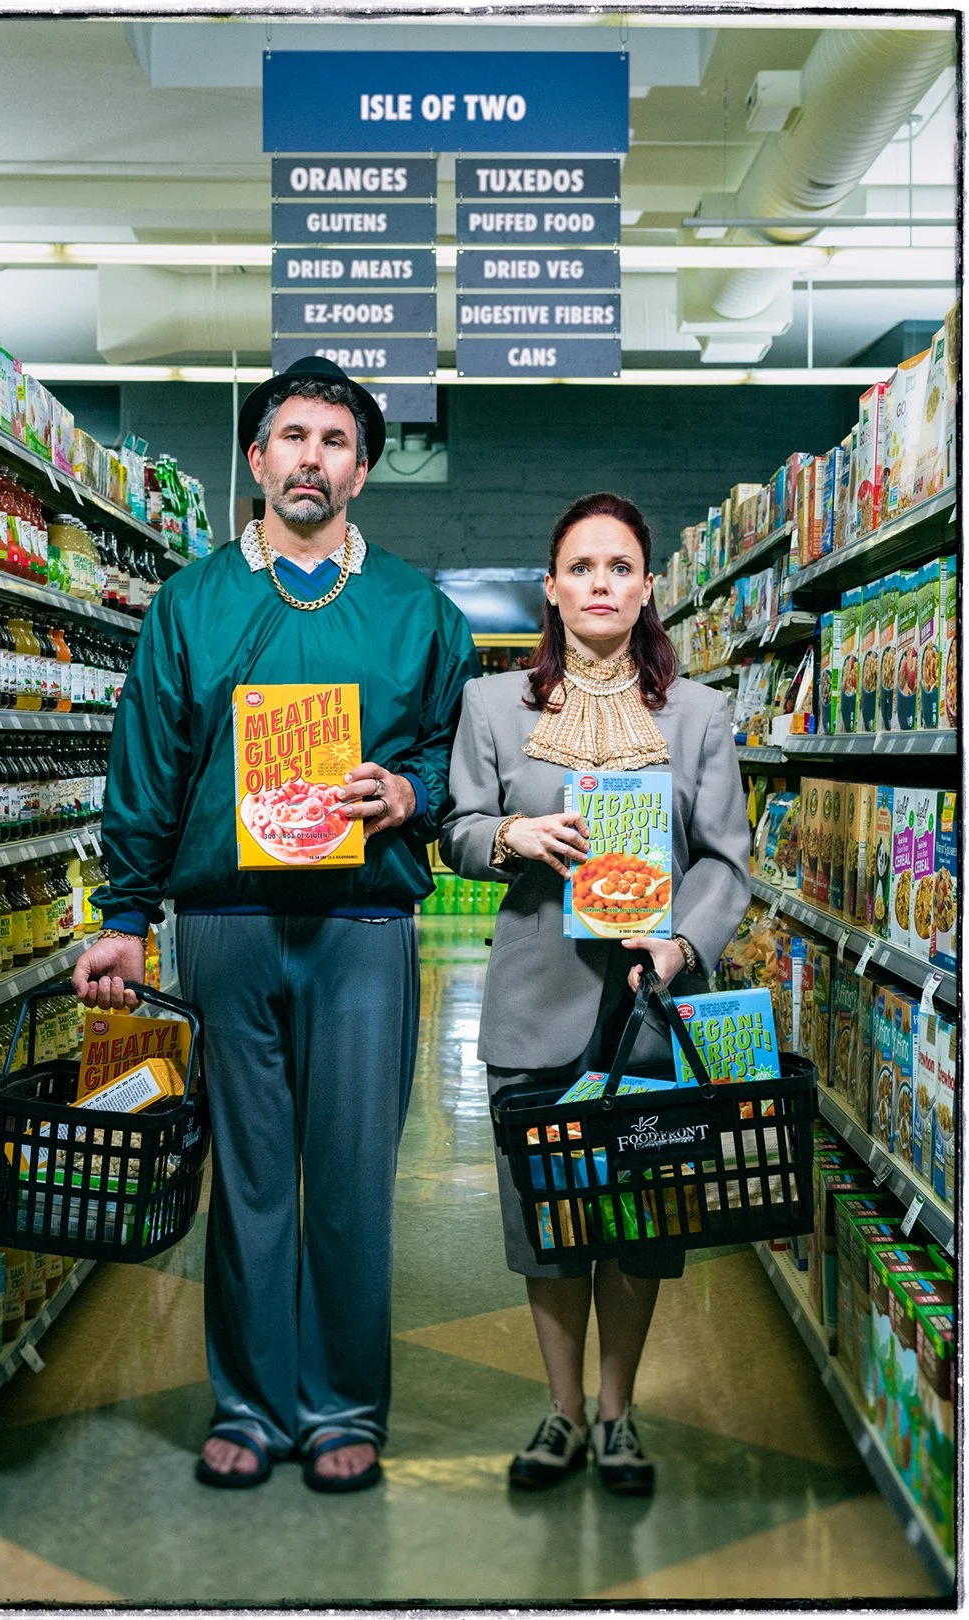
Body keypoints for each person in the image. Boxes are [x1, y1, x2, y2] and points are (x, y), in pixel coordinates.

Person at [73, 357, 480, 1495]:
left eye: (336, 440)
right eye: (291, 436)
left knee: (351, 1176)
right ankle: (250, 1402)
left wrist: (414, 793)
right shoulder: (193, 604)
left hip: (361, 925)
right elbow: (145, 769)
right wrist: (123, 916)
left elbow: (462, 753)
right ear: (255, 459)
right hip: (226, 923)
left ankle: (343, 1402)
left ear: (363, 467)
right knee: (249, 1176)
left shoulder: (417, 610)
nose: (312, 457)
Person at [439, 490, 750, 1497]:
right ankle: (562, 1412)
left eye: (619, 567)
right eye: (582, 567)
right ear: (554, 588)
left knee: (641, 1223)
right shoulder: (495, 707)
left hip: (649, 1014)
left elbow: (725, 862)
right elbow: (456, 827)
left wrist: (683, 945)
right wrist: (508, 839)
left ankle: (618, 1415)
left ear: (647, 587)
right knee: (548, 1227)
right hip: (534, 1001)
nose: (601, 583)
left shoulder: (696, 714)